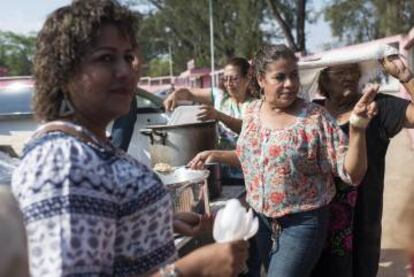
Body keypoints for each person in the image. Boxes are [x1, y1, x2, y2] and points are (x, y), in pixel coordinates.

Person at [11, 1, 248, 276]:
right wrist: (191, 269)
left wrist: (154, 221)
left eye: (128, 57)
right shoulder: (62, 163)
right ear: (63, 72)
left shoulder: (92, 145)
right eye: (106, 58)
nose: (126, 71)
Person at [188, 44, 375, 277]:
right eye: (280, 77)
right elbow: (258, 160)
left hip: (303, 222)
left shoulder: (316, 119)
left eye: (293, 75)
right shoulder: (252, 113)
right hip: (262, 222)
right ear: (260, 80)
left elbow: (352, 173)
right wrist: (214, 155)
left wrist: (357, 129)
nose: (289, 83)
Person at [309, 55, 414, 277]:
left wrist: (406, 77)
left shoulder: (379, 106)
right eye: (339, 73)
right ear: (324, 80)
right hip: (314, 223)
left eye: (352, 72)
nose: (348, 77)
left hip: (362, 227)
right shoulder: (310, 112)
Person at [164, 57, 256, 186]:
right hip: (222, 172)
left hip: (247, 173)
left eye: (234, 78)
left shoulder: (256, 105)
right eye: (225, 79)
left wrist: (219, 116)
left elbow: (248, 130)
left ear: (248, 78)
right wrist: (177, 94)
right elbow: (189, 93)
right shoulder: (220, 97)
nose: (228, 83)